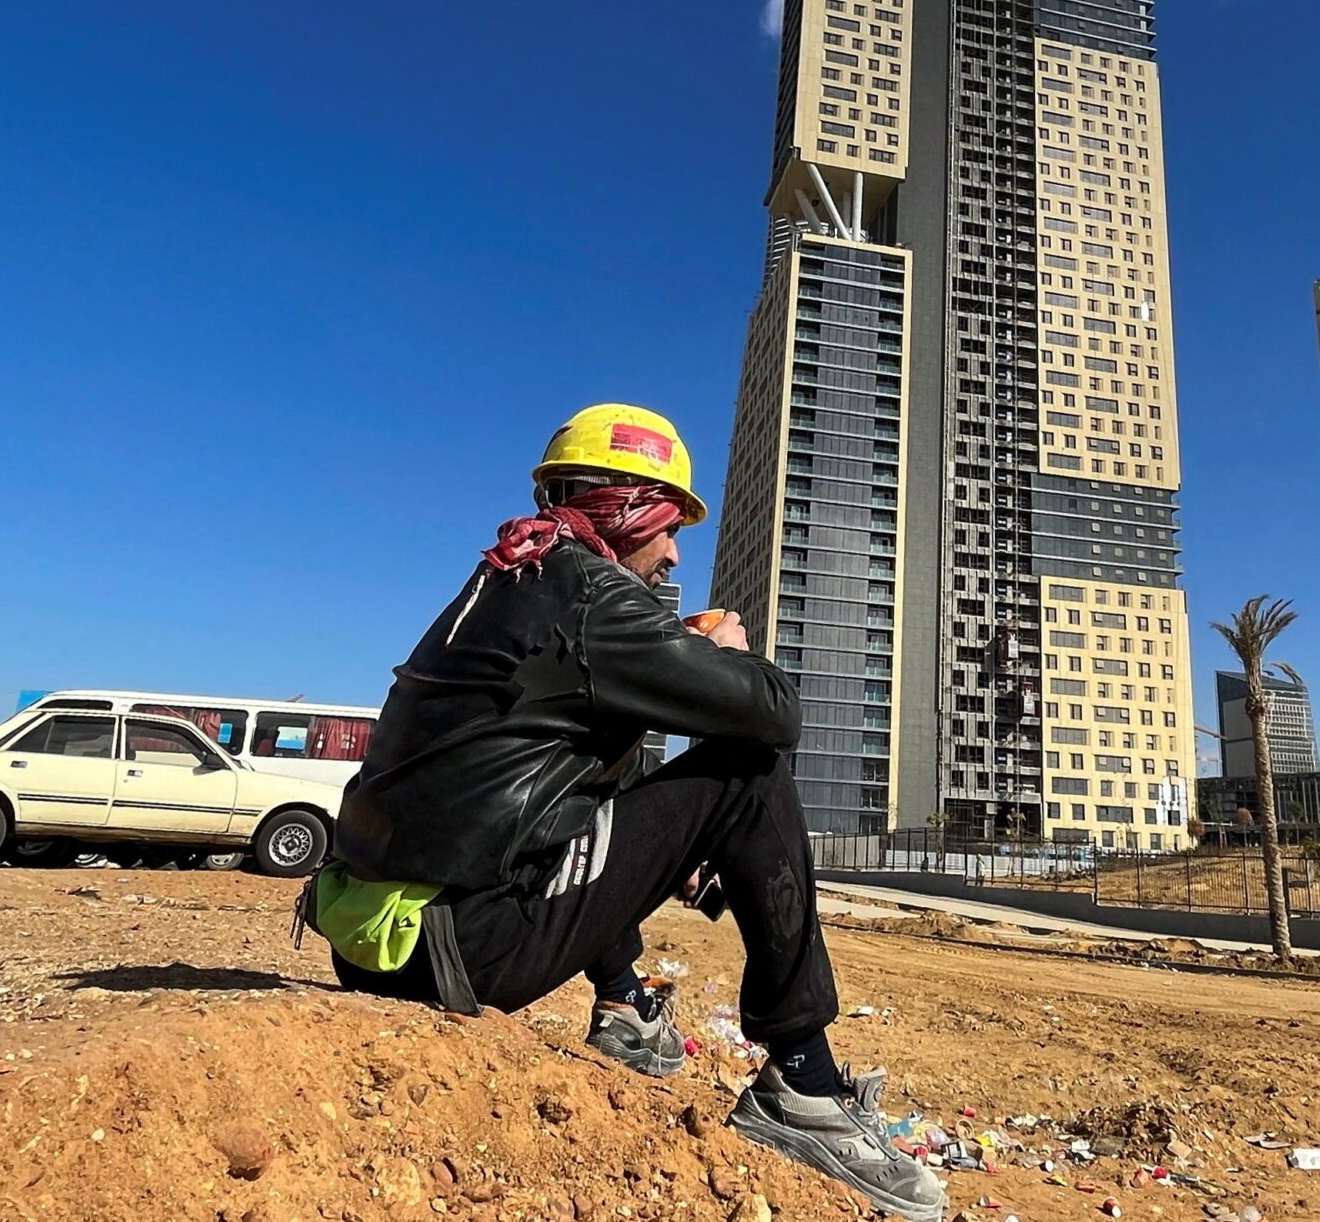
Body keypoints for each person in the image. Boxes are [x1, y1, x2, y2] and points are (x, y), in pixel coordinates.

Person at [310, 403, 944, 1222]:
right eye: (669, 524)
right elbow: (773, 713)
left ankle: (625, 1006)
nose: (676, 549)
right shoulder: (588, 593)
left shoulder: (509, 577)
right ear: (627, 508)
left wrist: (657, 834)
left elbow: (541, 760)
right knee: (743, 771)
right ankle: (804, 1084)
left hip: (376, 941)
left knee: (608, 774)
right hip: (460, 948)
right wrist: (726, 656)